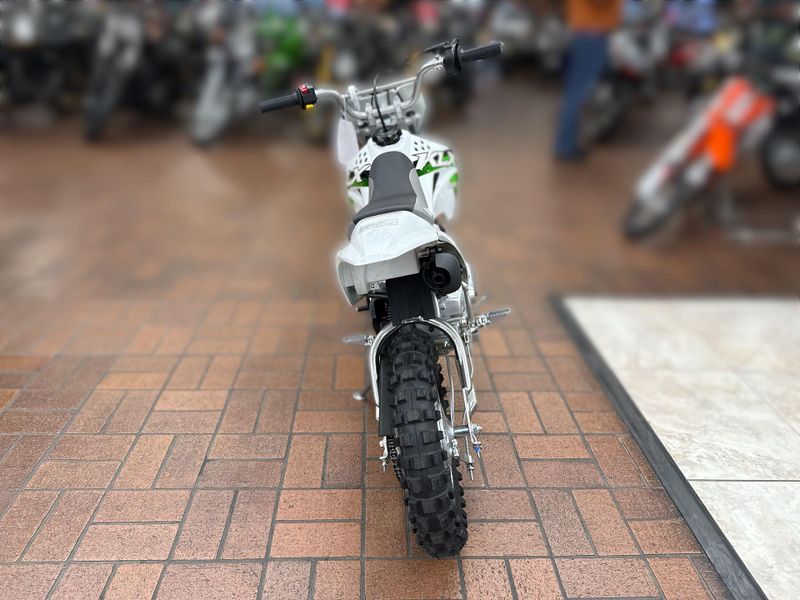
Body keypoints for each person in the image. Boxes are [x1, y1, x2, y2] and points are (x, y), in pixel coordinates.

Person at [554, 0, 623, 161]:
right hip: (590, 36)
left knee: (576, 92)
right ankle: (565, 147)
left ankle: (566, 144)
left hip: (589, 35)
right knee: (578, 93)